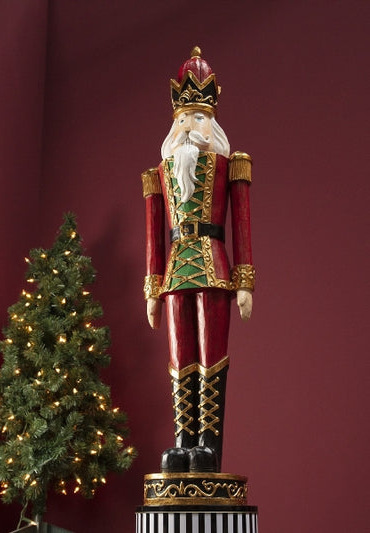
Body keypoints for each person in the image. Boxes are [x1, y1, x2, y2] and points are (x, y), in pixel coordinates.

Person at [141, 47, 255, 473]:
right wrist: (152, 289)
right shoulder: (160, 172)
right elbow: (154, 233)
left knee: (212, 356)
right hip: (175, 273)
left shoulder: (231, 165)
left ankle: (208, 444)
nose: (190, 125)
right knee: (180, 358)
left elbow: (241, 224)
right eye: (184, 117)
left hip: (215, 267)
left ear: (212, 122)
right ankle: (183, 442)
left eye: (198, 117)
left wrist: (245, 282)